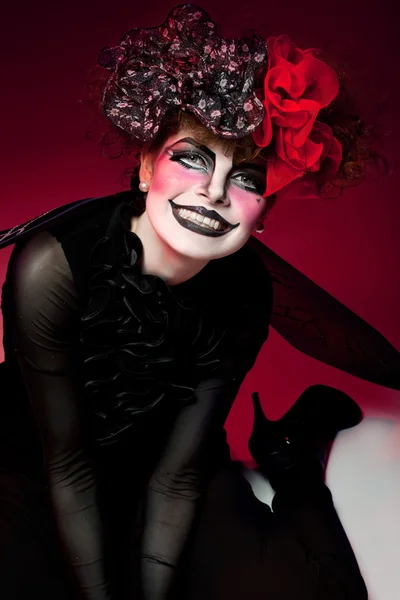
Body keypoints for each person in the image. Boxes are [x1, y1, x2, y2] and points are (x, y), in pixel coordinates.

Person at [0, 4, 398, 600]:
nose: (213, 191)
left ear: (264, 210)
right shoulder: (51, 264)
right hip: (35, 464)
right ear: (142, 168)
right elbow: (67, 464)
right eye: (192, 157)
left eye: (247, 178)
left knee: (316, 591)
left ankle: (291, 463)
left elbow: (178, 475)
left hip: (172, 468)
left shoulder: (244, 290)